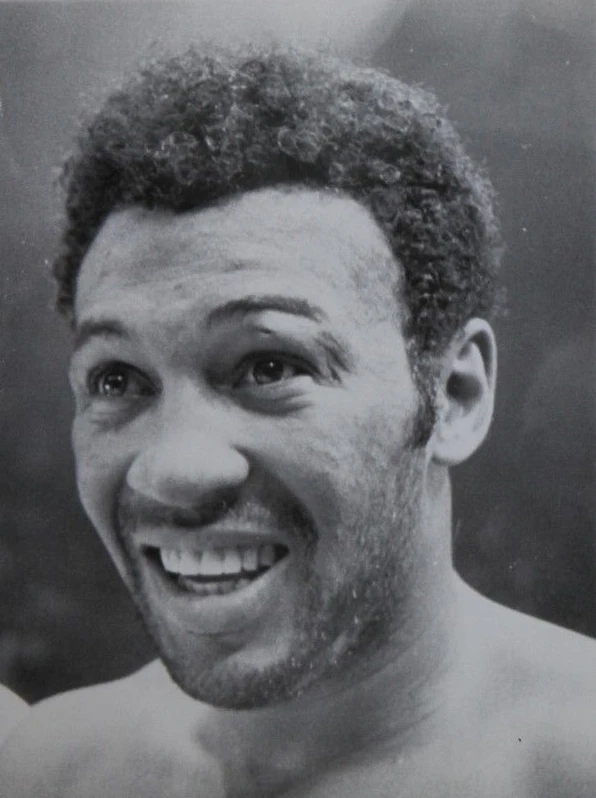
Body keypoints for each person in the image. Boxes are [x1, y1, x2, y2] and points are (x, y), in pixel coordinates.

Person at [1, 43, 595, 797]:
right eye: (117, 379)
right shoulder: (50, 768)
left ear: (454, 395)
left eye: (270, 367)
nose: (174, 472)